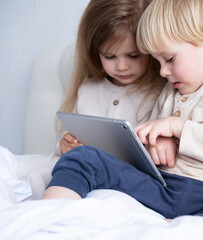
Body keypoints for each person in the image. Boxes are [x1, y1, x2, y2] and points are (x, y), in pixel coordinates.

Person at [42, 0, 203, 236]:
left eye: (169, 59)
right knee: (84, 157)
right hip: (163, 187)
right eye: (158, 61)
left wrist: (177, 128)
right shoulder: (170, 91)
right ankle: (47, 218)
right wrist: (155, 142)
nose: (162, 71)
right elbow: (146, 142)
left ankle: (177, 227)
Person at [18, 0, 167, 199]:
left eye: (133, 55)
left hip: (127, 183)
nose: (122, 66)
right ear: (96, 53)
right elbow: (76, 134)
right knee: (38, 175)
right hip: (84, 176)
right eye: (110, 56)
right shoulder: (88, 89)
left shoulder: (160, 92)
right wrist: (65, 143)